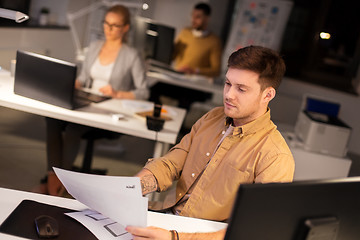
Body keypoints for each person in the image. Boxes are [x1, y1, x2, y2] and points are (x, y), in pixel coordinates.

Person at [126, 45, 295, 239]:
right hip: (166, 219)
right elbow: (172, 163)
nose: (229, 95)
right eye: (228, 84)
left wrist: (174, 238)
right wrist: (131, 189)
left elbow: (254, 230)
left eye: (241, 89)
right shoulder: (212, 118)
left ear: (268, 95)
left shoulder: (275, 156)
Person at [45, 5, 149, 196]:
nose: (108, 29)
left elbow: (143, 92)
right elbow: (84, 77)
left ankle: (63, 179)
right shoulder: (94, 47)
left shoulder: (131, 55)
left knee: (73, 128)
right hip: (86, 100)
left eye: (114, 25)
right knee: (51, 118)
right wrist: (74, 82)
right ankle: (53, 175)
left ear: (125, 28)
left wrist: (117, 93)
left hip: (107, 110)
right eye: (106, 23)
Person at [149, 2, 222, 110]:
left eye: (198, 17)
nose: (193, 19)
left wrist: (195, 70)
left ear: (207, 18)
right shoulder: (185, 32)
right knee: (152, 89)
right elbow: (172, 57)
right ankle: (159, 116)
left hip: (195, 85)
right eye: (193, 16)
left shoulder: (214, 41)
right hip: (178, 79)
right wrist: (167, 47)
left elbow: (216, 70)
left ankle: (176, 125)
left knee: (185, 100)